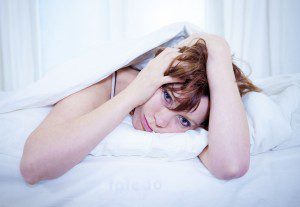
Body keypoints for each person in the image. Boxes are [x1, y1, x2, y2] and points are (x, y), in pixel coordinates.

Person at [20, 33, 262, 185]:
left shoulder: (191, 124)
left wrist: (219, 50)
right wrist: (136, 91)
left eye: (184, 121)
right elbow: (33, 166)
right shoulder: (105, 82)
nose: (161, 121)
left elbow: (231, 165)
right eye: (167, 96)